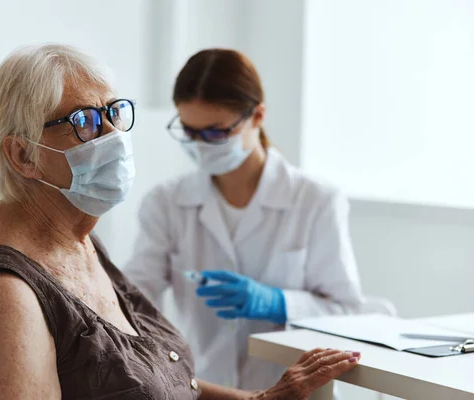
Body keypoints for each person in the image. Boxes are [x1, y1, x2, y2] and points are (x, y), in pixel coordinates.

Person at [0, 44, 361, 400]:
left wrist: (262, 398)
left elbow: (142, 375)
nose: (114, 138)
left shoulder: (79, 244)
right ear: (23, 155)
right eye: (85, 122)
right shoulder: (3, 294)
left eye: (113, 114)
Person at [124, 48, 365, 390]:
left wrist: (279, 303)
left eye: (216, 132)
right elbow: (134, 301)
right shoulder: (166, 203)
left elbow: (349, 311)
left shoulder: (315, 200)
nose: (201, 145)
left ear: (257, 116)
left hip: (294, 389)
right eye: (191, 133)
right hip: (206, 387)